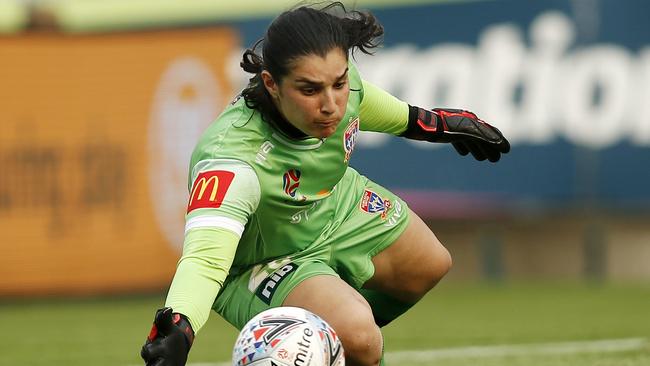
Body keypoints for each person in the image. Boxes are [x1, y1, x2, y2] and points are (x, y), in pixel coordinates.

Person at [140, 2, 510, 366]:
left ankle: (333, 339)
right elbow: (204, 261)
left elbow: (372, 105)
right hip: (268, 259)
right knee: (361, 337)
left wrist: (437, 124)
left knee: (429, 265)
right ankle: (344, 337)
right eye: (310, 90)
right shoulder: (234, 161)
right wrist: (180, 326)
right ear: (271, 84)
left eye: (340, 82)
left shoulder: (341, 93)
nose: (331, 104)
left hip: (336, 205)